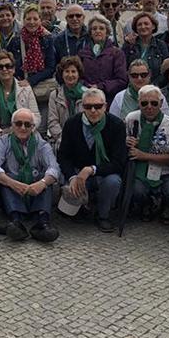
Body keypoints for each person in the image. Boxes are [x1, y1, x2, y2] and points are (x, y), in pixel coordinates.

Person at [58, 87, 127, 232]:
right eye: (88, 107)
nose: (93, 110)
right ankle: (80, 209)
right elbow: (64, 156)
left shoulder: (117, 125)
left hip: (104, 172)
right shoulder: (72, 124)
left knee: (113, 182)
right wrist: (71, 177)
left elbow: (119, 162)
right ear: (82, 107)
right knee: (69, 185)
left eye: (98, 106)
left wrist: (92, 170)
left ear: (105, 106)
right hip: (78, 170)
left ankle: (103, 215)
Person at [0, 108, 60, 242]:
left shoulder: (41, 144)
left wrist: (42, 183)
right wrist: (12, 183)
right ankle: (16, 222)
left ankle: (42, 223)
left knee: (45, 178)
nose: (23, 128)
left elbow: (55, 168)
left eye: (27, 124)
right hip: (14, 190)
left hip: (35, 190)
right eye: (18, 124)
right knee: (6, 177)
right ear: (12, 126)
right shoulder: (4, 142)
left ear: (33, 127)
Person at [124, 85, 169, 223]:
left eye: (154, 103)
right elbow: (121, 148)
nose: (149, 107)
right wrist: (127, 142)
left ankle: (168, 206)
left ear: (160, 103)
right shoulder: (131, 119)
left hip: (165, 171)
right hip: (140, 170)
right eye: (144, 103)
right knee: (137, 191)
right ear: (138, 103)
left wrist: (144, 155)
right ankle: (146, 204)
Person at [0, 51, 39, 157]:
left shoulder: (26, 89)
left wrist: (24, 130)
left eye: (8, 66)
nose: (5, 69)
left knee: (36, 142)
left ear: (14, 69)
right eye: (0, 67)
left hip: (23, 129)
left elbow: (36, 115)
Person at [79, 13, 127, 102]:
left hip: (109, 99)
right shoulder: (82, 53)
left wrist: (100, 86)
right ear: (90, 32)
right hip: (87, 97)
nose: (98, 31)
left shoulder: (117, 53)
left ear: (107, 32)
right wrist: (87, 86)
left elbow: (121, 80)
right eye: (94, 29)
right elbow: (79, 77)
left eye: (101, 28)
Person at [18, 4, 57, 100]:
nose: (32, 22)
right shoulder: (16, 40)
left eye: (35, 19)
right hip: (21, 89)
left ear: (40, 21)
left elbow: (51, 68)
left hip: (41, 88)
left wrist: (31, 80)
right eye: (28, 19)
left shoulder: (47, 39)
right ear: (23, 21)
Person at [47, 56, 85, 152]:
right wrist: (65, 139)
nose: (70, 75)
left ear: (78, 74)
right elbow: (52, 122)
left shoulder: (87, 94)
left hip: (84, 141)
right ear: (62, 74)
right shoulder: (54, 95)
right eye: (67, 71)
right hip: (62, 141)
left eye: (73, 71)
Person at [122, 12, 168, 83]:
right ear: (136, 28)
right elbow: (123, 69)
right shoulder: (129, 46)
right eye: (139, 25)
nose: (143, 27)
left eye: (146, 24)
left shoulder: (161, 45)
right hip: (133, 86)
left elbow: (165, 70)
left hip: (155, 88)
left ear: (153, 26)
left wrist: (153, 87)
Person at [0, 3, 22, 76]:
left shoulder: (22, 32)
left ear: (13, 17)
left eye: (8, 15)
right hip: (1, 72)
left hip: (19, 72)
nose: (5, 18)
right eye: (1, 16)